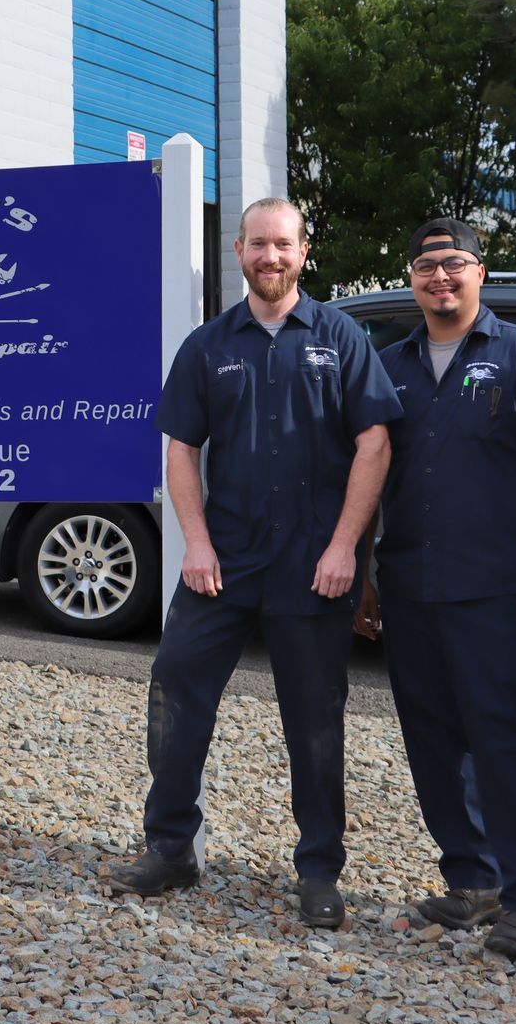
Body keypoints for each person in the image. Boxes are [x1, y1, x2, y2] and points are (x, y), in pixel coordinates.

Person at [106, 197, 401, 929]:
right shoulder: (208, 346)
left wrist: (344, 549)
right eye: (259, 245)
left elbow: (375, 443)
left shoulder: (342, 338)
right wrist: (196, 542)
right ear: (238, 250)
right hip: (224, 565)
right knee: (176, 687)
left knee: (314, 721)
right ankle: (171, 847)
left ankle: (319, 871)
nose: (271, 257)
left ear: (305, 251)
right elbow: (180, 449)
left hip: (313, 567)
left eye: (284, 245)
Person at [354, 219, 516, 960]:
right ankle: (471, 879)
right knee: (431, 737)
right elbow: (368, 470)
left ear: (481, 272)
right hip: (411, 581)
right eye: (426, 265)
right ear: (412, 277)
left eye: (455, 263)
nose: (440, 277)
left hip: (498, 587)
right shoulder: (388, 363)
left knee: (504, 739)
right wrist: (363, 571)